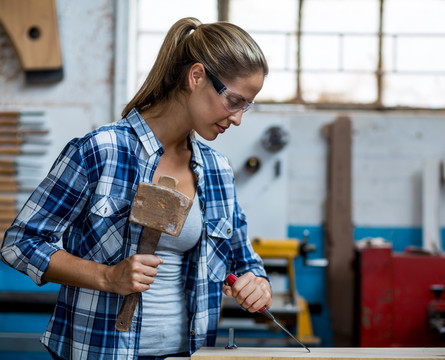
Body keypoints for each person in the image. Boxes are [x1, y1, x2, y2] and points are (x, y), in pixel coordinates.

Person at [0, 17, 272, 360]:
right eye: (234, 101)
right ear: (197, 76)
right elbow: (20, 244)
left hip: (187, 354)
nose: (238, 118)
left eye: (246, 105)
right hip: (100, 352)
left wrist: (256, 283)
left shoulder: (217, 170)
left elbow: (244, 261)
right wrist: (106, 276)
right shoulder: (102, 151)